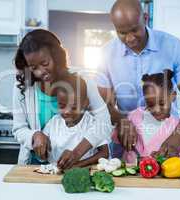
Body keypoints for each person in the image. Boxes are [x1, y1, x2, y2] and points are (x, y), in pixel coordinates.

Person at [96, 0, 180, 158]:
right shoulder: (106, 54)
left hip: (167, 139)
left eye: (134, 30)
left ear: (145, 19)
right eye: (122, 33)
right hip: (128, 144)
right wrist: (120, 120)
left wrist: (177, 136)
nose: (130, 38)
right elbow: (103, 104)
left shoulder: (172, 46)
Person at [13, 29, 111, 165]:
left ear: (56, 56)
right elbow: (19, 129)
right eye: (33, 67)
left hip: (78, 163)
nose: (41, 72)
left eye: (45, 63)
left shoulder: (81, 80)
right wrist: (34, 135)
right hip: (34, 166)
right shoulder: (23, 86)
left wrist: (76, 153)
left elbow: (104, 122)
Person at [111, 70, 180, 163]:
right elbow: (116, 138)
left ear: (173, 96)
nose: (156, 110)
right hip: (130, 176)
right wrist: (121, 130)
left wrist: (177, 157)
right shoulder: (134, 116)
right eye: (150, 104)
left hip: (160, 177)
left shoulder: (178, 127)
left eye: (162, 104)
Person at [43, 73, 109, 169]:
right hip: (54, 174)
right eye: (62, 106)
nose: (67, 112)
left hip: (83, 173)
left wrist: (79, 165)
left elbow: (104, 153)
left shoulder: (92, 123)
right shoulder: (54, 123)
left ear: (85, 103)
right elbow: (44, 149)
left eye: (73, 107)